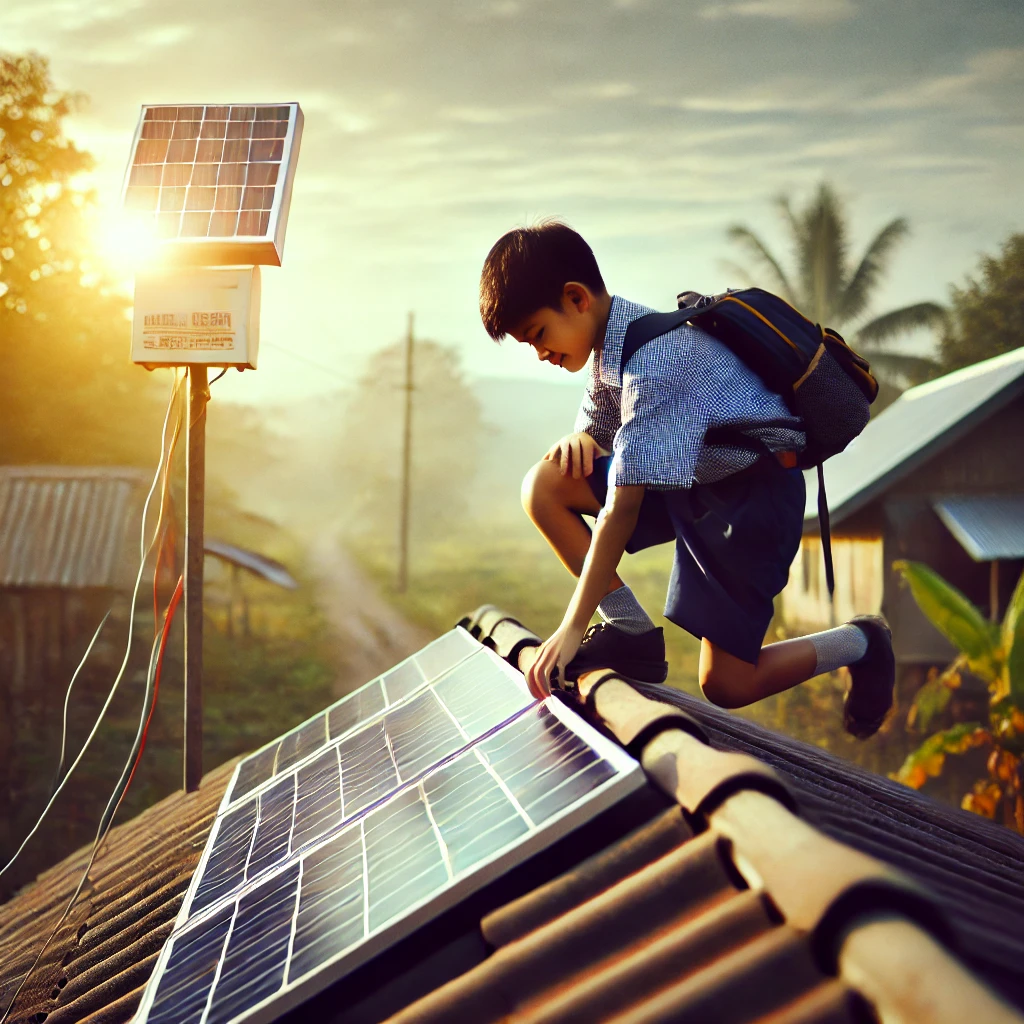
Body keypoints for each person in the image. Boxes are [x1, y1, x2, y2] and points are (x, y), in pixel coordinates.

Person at [478, 221, 895, 738]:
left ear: (576, 299)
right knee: (545, 485)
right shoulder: (614, 346)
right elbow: (602, 424)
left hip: (753, 499)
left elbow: (622, 508)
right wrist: (581, 437)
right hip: (696, 481)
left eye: (539, 334)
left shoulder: (656, 361)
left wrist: (571, 627)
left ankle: (863, 641)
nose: (539, 353)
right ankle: (630, 630)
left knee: (727, 684)